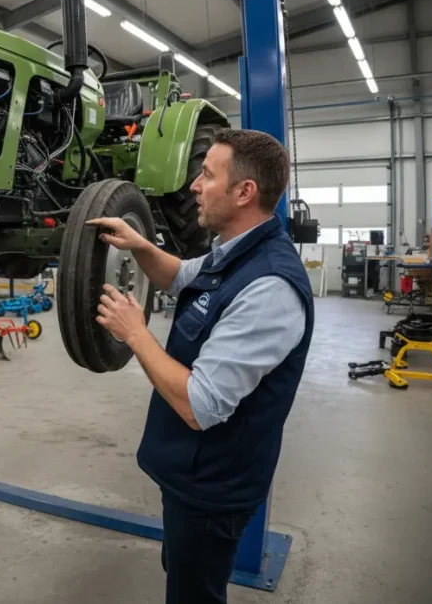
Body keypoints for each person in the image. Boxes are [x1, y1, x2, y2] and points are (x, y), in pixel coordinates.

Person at [87, 129, 314, 604]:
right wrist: (139, 243)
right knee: (183, 571)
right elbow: (180, 275)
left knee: (194, 594)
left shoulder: (269, 287)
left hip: (215, 488)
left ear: (244, 192)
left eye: (207, 175)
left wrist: (135, 333)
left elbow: (200, 403)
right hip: (191, 475)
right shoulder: (233, 252)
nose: (193, 185)